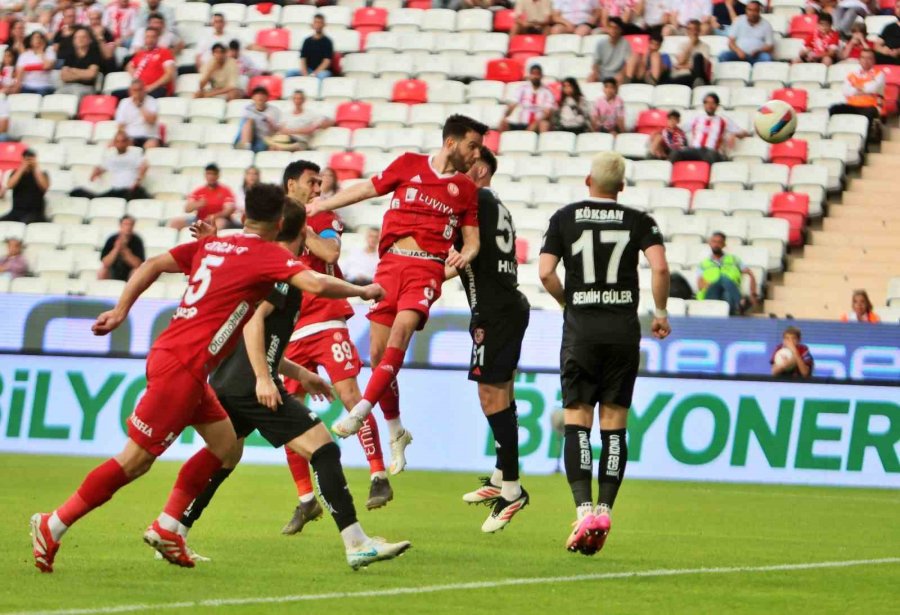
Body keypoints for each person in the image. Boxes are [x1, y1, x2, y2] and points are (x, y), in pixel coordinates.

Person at [29, 184, 395, 573]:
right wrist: (363, 290)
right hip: (181, 368)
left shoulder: (215, 245)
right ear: (280, 223)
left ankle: (169, 526)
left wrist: (121, 311)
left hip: (187, 364)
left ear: (245, 214)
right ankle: (54, 524)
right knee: (134, 462)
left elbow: (152, 264)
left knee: (225, 446)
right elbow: (318, 284)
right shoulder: (266, 254)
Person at [172, 198, 411, 569]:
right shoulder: (280, 270)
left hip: (228, 380)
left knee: (224, 457)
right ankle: (357, 543)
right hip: (251, 384)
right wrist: (264, 379)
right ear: (303, 232)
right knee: (323, 449)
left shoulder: (264, 264)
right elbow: (257, 321)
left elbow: (272, 315)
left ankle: (172, 528)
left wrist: (301, 374)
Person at [309, 115, 487, 475]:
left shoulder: (466, 190)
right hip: (390, 265)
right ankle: (396, 431)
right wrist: (323, 205)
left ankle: (360, 411)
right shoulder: (408, 164)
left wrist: (464, 255)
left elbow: (473, 242)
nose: (476, 155)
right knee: (377, 355)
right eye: (472, 146)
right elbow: (367, 188)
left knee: (402, 331)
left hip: (426, 268)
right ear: (451, 143)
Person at [538, 151, 671, 555]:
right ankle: (604, 510)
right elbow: (660, 268)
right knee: (615, 426)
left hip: (581, 333)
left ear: (588, 181)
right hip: (622, 334)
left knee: (577, 422)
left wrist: (568, 302)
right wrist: (660, 313)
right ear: (622, 187)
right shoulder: (639, 220)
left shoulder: (564, 218)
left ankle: (583, 510)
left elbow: (545, 272)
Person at [278, 161, 393, 533]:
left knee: (350, 396)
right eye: (311, 182)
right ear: (291, 184)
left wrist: (303, 226)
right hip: (291, 328)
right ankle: (305, 500)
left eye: (320, 182)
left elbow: (329, 254)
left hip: (327, 318)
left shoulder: (323, 217)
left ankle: (378, 475)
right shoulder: (275, 222)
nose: (317, 188)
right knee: (287, 414)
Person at [446, 146, 531, 533]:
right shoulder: (492, 203)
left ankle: (512, 491)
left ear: (480, 169)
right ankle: (501, 476)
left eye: (465, 165)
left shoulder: (476, 201)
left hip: (495, 312)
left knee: (491, 397)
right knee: (503, 395)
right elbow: (465, 257)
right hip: (503, 307)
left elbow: (456, 249)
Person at [72, 131, 150, 201]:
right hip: (115, 189)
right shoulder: (111, 156)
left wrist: (138, 180)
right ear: (114, 143)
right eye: (117, 141)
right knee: (78, 192)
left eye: (123, 141)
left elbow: (144, 166)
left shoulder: (135, 154)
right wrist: (95, 174)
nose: (120, 144)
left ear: (128, 142)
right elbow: (101, 168)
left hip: (130, 189)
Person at [672, 93, 748, 164]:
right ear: (704, 105)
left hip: (711, 151)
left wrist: (734, 134)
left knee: (709, 155)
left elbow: (745, 133)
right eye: (707, 103)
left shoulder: (723, 120)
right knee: (676, 153)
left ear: (717, 106)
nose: (709, 105)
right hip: (695, 150)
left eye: (713, 103)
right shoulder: (697, 119)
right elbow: (679, 130)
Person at [695, 231, 759, 315]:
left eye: (719, 242)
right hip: (710, 294)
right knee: (722, 278)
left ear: (724, 244)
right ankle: (740, 302)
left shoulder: (734, 260)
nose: (716, 244)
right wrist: (716, 284)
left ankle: (733, 312)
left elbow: (750, 273)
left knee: (727, 294)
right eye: (714, 242)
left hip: (729, 292)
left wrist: (753, 293)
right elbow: (700, 285)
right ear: (710, 243)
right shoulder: (703, 264)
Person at [830, 49, 884, 141]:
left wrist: (855, 88)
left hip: (870, 105)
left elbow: (872, 88)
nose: (866, 61)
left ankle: (864, 142)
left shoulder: (879, 74)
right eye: (863, 58)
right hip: (852, 105)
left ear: (873, 60)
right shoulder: (852, 74)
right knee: (834, 109)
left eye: (869, 58)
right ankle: (837, 138)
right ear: (859, 60)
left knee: (868, 113)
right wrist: (863, 89)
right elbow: (846, 91)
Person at [172, 164, 236, 231]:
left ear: (218, 176)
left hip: (218, 219)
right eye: (209, 174)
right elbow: (187, 209)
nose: (211, 176)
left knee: (219, 223)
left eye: (214, 174)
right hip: (200, 219)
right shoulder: (199, 191)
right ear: (205, 175)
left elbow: (229, 210)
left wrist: (214, 216)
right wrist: (198, 204)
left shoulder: (225, 191)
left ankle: (210, 237)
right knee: (176, 222)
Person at [267, 90, 334, 151]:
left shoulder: (310, 114)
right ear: (292, 100)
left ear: (304, 100)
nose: (297, 101)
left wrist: (291, 131)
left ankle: (281, 148)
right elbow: (281, 129)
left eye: (300, 99)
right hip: (286, 139)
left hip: (300, 141)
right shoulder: (286, 114)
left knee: (291, 146)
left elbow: (328, 121)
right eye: (295, 98)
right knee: (272, 146)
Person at [119, 27, 175, 99]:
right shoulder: (141, 53)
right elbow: (129, 66)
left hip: (157, 88)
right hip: (140, 89)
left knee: (139, 97)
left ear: (157, 38)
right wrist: (136, 77)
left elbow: (169, 74)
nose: (150, 40)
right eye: (147, 37)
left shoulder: (164, 52)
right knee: (115, 94)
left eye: (153, 37)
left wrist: (151, 87)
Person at [500, 64, 556, 132]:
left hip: (537, 124)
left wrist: (535, 123)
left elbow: (547, 112)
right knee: (503, 123)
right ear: (529, 75)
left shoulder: (547, 92)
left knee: (544, 124)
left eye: (537, 74)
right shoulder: (522, 89)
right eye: (533, 74)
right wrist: (505, 117)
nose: (535, 77)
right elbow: (513, 104)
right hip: (521, 122)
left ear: (541, 76)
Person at [0, 149, 49, 224]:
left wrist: (36, 167)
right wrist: (22, 168)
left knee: (26, 221)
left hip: (36, 212)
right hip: (17, 211)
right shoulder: (15, 173)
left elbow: (44, 187)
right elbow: (10, 185)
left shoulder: (43, 174)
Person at [115, 80, 161, 149]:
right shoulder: (124, 103)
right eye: (135, 90)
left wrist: (140, 106)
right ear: (130, 91)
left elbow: (152, 121)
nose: (137, 93)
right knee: (120, 144)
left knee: (151, 145)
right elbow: (120, 126)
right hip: (130, 137)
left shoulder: (152, 101)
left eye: (140, 90)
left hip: (149, 136)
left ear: (144, 90)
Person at [57, 27, 102, 96]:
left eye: (83, 37)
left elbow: (91, 74)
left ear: (89, 40)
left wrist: (72, 71)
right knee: (56, 95)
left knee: (76, 94)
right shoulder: (70, 56)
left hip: (87, 88)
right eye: (77, 37)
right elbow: (64, 76)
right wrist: (84, 73)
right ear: (73, 41)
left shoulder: (94, 55)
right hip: (68, 87)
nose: (80, 39)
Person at [236, 87, 281, 153]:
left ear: (267, 98)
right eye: (257, 94)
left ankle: (246, 148)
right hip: (249, 136)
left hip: (264, 138)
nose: (260, 96)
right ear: (253, 98)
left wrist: (270, 124)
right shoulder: (248, 109)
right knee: (248, 121)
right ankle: (245, 148)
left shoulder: (274, 111)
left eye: (263, 94)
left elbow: (275, 131)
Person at [99, 215, 144, 281]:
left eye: (130, 224)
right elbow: (105, 263)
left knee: (136, 271)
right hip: (113, 271)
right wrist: (116, 249)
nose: (128, 227)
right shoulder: (111, 239)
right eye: (125, 224)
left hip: (129, 272)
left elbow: (138, 264)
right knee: (103, 270)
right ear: (120, 225)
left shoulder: (137, 241)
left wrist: (125, 251)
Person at [668, 19, 710, 87]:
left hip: (696, 76)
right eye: (689, 29)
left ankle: (697, 82)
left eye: (695, 29)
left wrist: (681, 66)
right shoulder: (682, 45)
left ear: (699, 31)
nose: (692, 32)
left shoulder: (705, 46)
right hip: (681, 76)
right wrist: (691, 44)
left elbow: (702, 67)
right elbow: (681, 61)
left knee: (698, 56)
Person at [590, 17, 631, 83]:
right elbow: (595, 63)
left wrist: (621, 74)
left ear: (620, 30)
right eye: (611, 27)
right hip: (602, 73)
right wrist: (595, 73)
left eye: (616, 28)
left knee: (619, 79)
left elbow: (627, 64)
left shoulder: (625, 43)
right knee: (590, 79)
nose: (613, 30)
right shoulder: (600, 43)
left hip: (617, 74)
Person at [298, 14, 334, 80]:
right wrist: (305, 73)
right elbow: (303, 58)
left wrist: (314, 73)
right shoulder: (307, 41)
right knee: (290, 73)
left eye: (320, 22)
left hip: (322, 71)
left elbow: (327, 61)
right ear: (312, 24)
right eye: (316, 22)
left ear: (324, 24)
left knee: (322, 75)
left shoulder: (327, 42)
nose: (318, 25)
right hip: (308, 69)